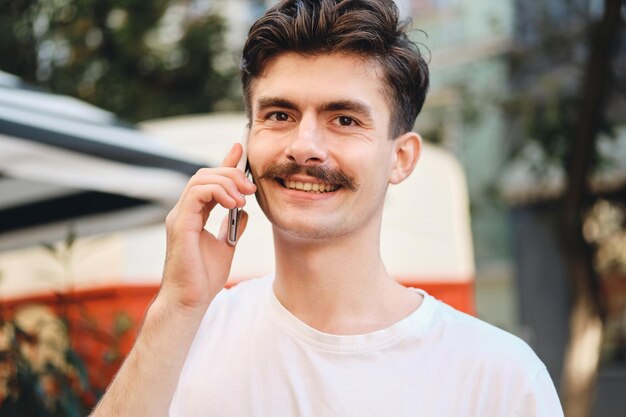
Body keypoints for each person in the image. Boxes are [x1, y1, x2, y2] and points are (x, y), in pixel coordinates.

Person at [91, 1, 564, 416]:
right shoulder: (186, 336)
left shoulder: (500, 376)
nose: (304, 146)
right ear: (247, 140)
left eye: (343, 119)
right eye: (280, 115)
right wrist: (178, 306)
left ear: (401, 158)